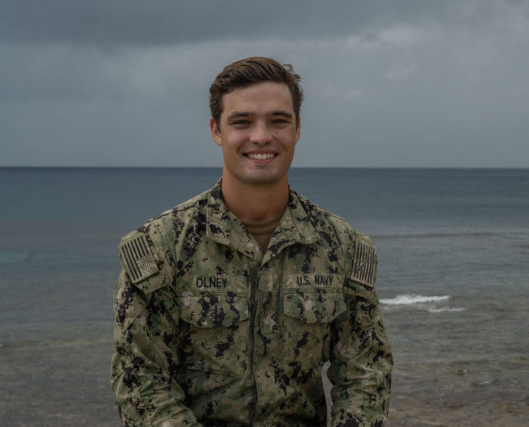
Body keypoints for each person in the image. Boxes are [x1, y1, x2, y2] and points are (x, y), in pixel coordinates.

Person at [111, 57, 392, 426]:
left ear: (297, 129)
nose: (261, 136)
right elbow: (140, 381)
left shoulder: (342, 247)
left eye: (278, 121)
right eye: (242, 122)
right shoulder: (161, 247)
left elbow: (366, 372)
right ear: (217, 131)